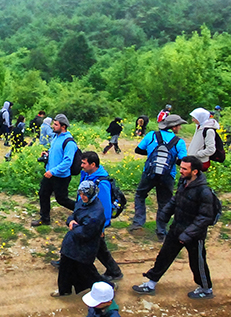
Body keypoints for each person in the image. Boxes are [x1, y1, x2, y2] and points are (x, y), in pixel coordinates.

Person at [131, 157, 217, 299]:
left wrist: (188, 234)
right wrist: (164, 214)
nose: (180, 171)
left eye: (184, 169)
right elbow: (175, 199)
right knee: (164, 256)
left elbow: (205, 217)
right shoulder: (184, 182)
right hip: (177, 228)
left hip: (194, 235)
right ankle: (151, 283)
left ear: (194, 171)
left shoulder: (204, 192)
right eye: (181, 168)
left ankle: (206, 288)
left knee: (197, 262)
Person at [127, 114, 187, 238]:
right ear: (174, 127)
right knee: (164, 202)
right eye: (179, 125)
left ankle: (138, 223)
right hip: (168, 175)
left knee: (140, 195)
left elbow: (138, 150)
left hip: (149, 172)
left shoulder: (151, 135)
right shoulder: (179, 142)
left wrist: (151, 153)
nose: (180, 127)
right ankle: (161, 231)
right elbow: (183, 161)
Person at [54, 179, 106, 296]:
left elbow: (85, 233)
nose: (82, 197)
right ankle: (64, 290)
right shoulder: (83, 203)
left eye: (85, 194)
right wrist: (71, 221)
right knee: (65, 268)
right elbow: (73, 215)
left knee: (88, 272)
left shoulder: (96, 213)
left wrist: (73, 225)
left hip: (84, 248)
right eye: (80, 194)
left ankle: (107, 288)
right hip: (72, 244)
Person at [78, 152, 123, 282]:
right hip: (85, 216)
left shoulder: (101, 182)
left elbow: (106, 207)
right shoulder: (87, 175)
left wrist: (102, 227)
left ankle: (114, 271)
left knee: (99, 248)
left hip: (94, 221)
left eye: (84, 163)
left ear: (93, 164)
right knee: (81, 240)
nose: (81, 166)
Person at [33, 114, 77, 227]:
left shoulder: (69, 142)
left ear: (63, 126)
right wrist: (47, 153)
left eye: (55, 124)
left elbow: (67, 162)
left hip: (61, 176)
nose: (53, 126)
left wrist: (53, 172)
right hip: (50, 174)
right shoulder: (56, 137)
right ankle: (45, 218)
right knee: (43, 194)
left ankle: (82, 209)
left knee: (61, 199)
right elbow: (56, 152)